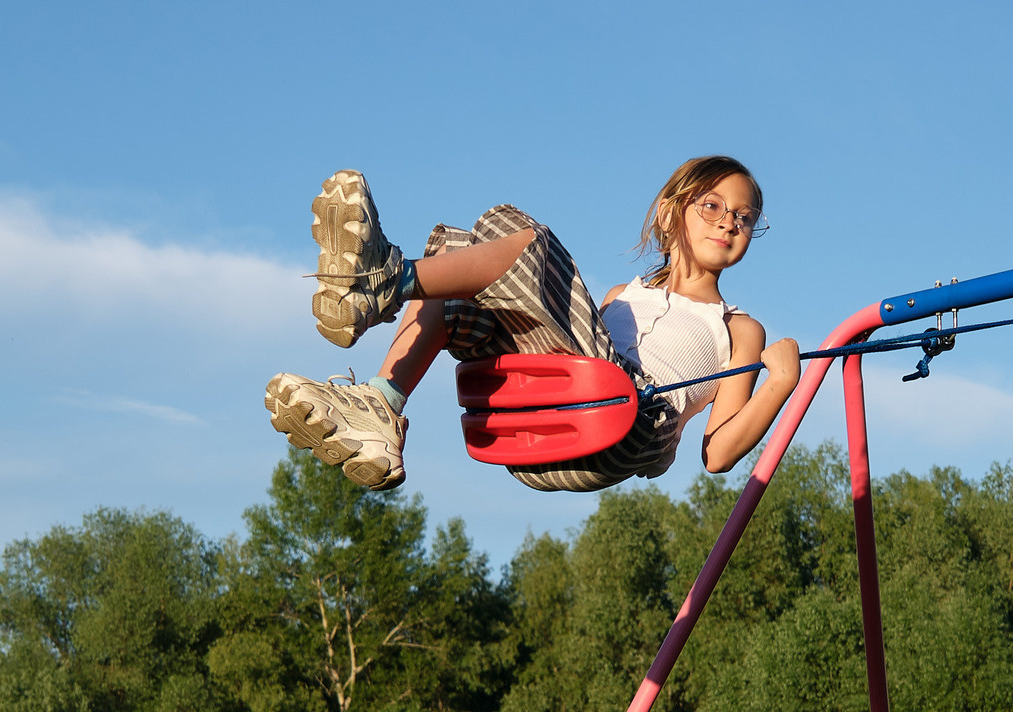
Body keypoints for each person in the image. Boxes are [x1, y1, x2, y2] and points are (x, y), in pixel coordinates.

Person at [262, 158, 802, 493]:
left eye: (744, 215)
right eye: (712, 205)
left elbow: (719, 453)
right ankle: (381, 407)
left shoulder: (737, 328)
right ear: (668, 214)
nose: (730, 220)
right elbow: (570, 331)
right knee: (462, 257)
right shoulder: (622, 295)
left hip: (624, 421)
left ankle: (382, 281)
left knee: (525, 242)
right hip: (551, 416)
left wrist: (779, 383)